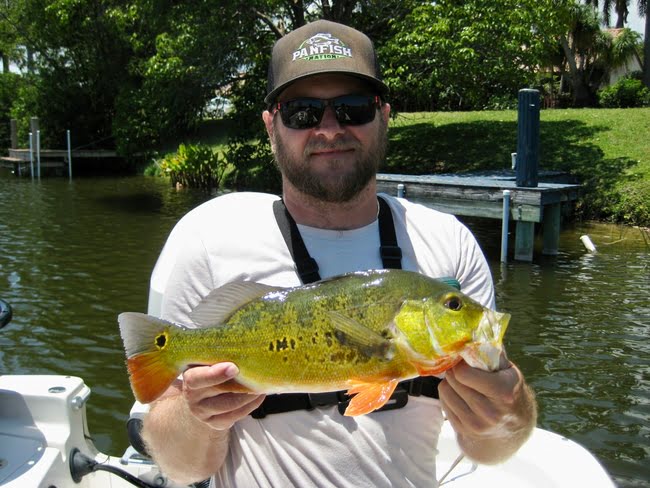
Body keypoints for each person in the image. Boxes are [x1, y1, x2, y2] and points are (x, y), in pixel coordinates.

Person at [138, 19, 537, 487]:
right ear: (271, 126)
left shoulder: (449, 245)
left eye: (353, 109)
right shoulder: (206, 241)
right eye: (302, 112)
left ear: (384, 115)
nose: (329, 129)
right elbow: (181, 468)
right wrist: (196, 415)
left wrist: (511, 411)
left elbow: (490, 449)